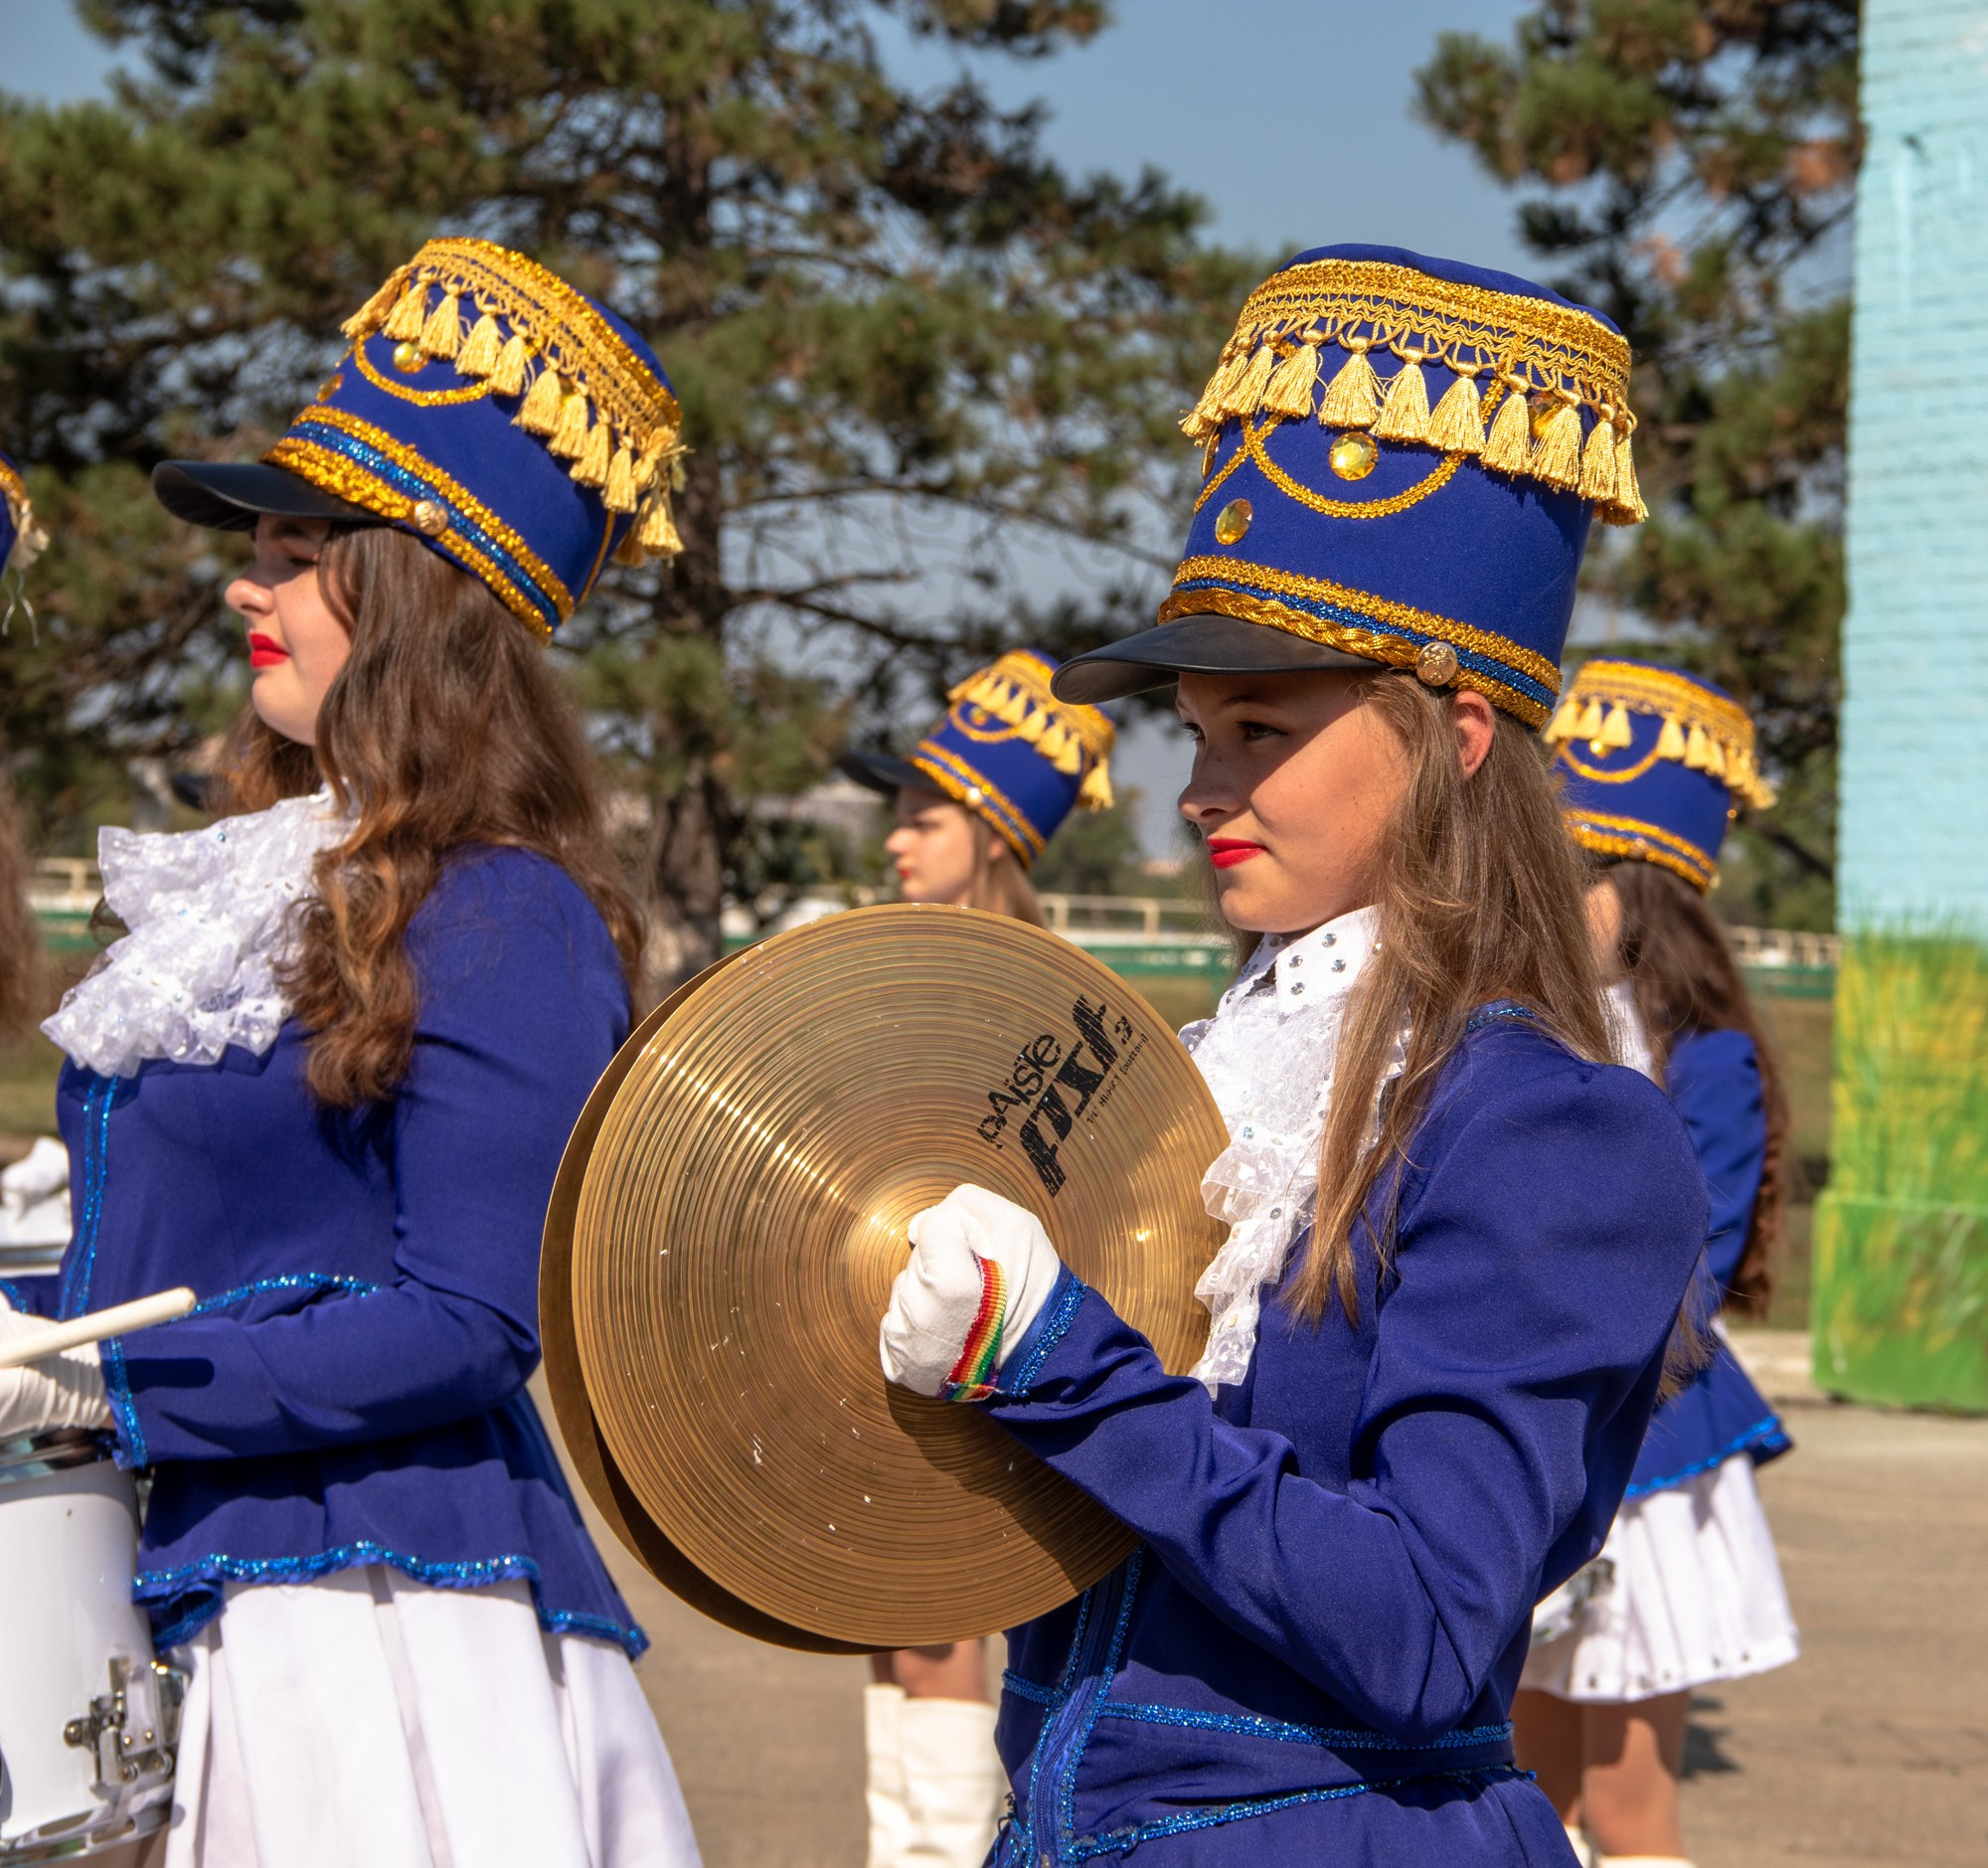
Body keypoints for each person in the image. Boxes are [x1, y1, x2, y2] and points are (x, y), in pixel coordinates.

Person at [872, 245, 1711, 1866]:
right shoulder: (1206, 1066)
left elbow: (1419, 1621)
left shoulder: (1547, 1121)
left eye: (1263, 728)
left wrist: (1059, 1361)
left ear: (1456, 736)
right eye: (1199, 728)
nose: (1201, 784)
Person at [0, 239, 701, 1868]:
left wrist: (106, 1380)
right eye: (258, 547)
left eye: (302, 549)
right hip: (188, 1585)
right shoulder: (254, 880)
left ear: (419, 597)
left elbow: (471, 1319)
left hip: (379, 1612)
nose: (247, 584)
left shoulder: (506, 907)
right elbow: (157, 1254)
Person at [1518, 658, 1800, 1868]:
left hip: (1641, 1445)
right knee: (1517, 1792)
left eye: (1574, 876)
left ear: (1642, 890)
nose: (1545, 899)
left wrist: (1574, 1392)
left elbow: (1690, 1268)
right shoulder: (1517, 1029)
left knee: (1629, 1812)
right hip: (1524, 1438)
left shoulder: (1711, 1058)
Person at [838, 651, 1116, 1868]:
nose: (899, 838)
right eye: (896, 814)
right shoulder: (875, 960)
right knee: (884, 1629)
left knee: (944, 1619)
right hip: (871, 1322)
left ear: (995, 829)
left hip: (993, 1344)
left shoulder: (1047, 996)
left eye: (926, 815)